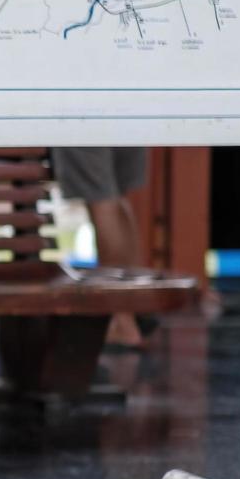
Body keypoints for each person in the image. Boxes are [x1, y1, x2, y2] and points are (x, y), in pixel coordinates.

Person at [52, 147, 149, 349]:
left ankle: (120, 319)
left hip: (84, 119)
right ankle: (134, 307)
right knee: (117, 198)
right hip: (128, 116)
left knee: (101, 201)